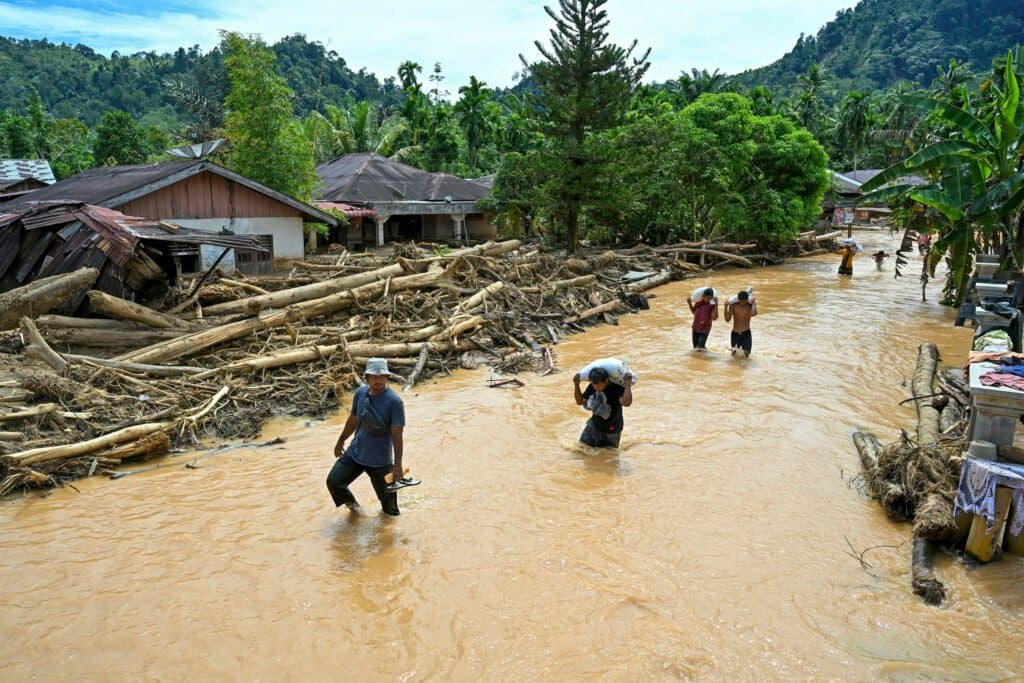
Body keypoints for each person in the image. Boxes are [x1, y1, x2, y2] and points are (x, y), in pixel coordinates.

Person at [326, 358, 406, 516]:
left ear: (387, 377)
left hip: (380, 460)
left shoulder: (394, 402)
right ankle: (355, 511)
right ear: (367, 377)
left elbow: (397, 435)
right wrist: (341, 440)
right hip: (356, 452)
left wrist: (397, 465)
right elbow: (353, 419)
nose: (378, 380)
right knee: (334, 482)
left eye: (382, 376)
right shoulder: (361, 393)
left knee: (390, 511)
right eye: (374, 376)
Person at [573, 367, 632, 448]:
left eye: (599, 385)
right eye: (595, 385)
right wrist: (576, 385)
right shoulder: (592, 387)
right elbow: (580, 401)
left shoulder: (616, 388)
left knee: (609, 457)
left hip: (612, 431)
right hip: (594, 426)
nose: (597, 387)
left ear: (606, 381)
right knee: (581, 449)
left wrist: (628, 385)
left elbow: (626, 403)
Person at [724, 290, 758, 358]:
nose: (742, 303)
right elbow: (727, 319)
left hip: (746, 332)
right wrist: (725, 307)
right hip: (735, 333)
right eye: (741, 301)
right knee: (734, 354)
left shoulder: (749, 306)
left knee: (746, 354)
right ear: (738, 299)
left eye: (744, 301)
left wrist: (754, 303)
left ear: (747, 300)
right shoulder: (733, 306)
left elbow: (753, 313)